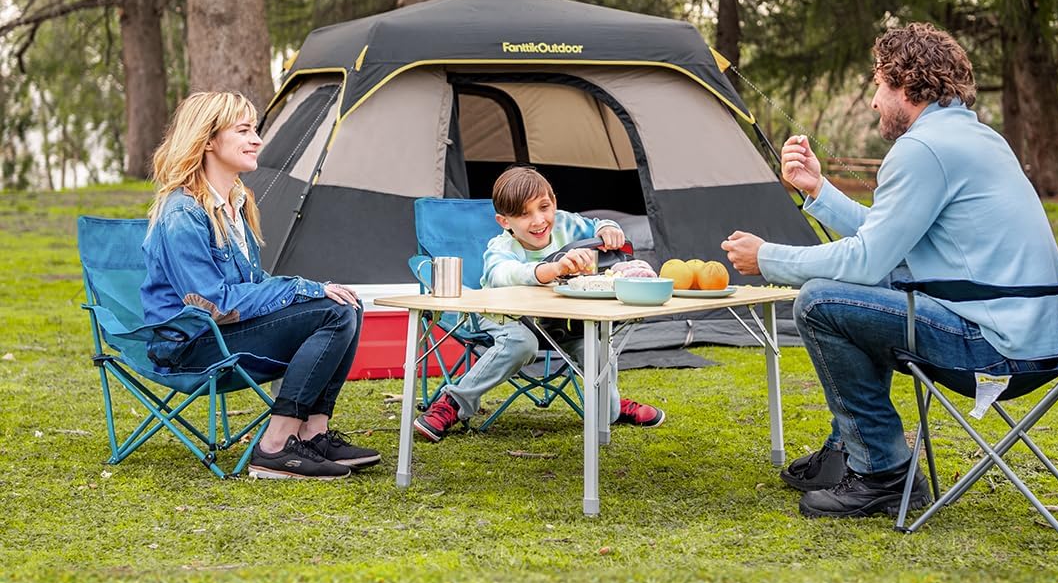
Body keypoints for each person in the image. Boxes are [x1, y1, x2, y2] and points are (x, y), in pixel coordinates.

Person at [722, 22, 1058, 520]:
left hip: (997, 351)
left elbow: (867, 258)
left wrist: (769, 258)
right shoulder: (974, 137)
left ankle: (882, 473)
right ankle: (850, 451)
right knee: (864, 288)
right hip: (1037, 340)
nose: (873, 101)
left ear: (907, 85)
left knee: (821, 302)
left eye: (879, 85)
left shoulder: (923, 149)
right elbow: (889, 239)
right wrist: (818, 191)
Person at [141, 91, 381, 480]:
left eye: (255, 130)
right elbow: (211, 303)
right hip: (192, 343)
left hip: (225, 332)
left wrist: (311, 290)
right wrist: (303, 288)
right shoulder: (183, 213)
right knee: (332, 311)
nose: (257, 140)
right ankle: (274, 447)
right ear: (208, 140)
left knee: (346, 303)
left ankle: (312, 434)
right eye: (244, 131)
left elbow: (252, 286)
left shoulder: (235, 202)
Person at [414, 166, 667, 441]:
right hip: (505, 319)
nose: (538, 220)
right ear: (504, 221)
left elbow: (596, 224)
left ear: (554, 204)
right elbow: (502, 275)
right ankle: (455, 402)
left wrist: (609, 228)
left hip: (561, 320)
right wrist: (550, 270)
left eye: (543, 207)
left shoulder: (565, 223)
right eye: (524, 214)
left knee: (595, 342)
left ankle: (611, 410)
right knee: (522, 342)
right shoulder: (501, 247)